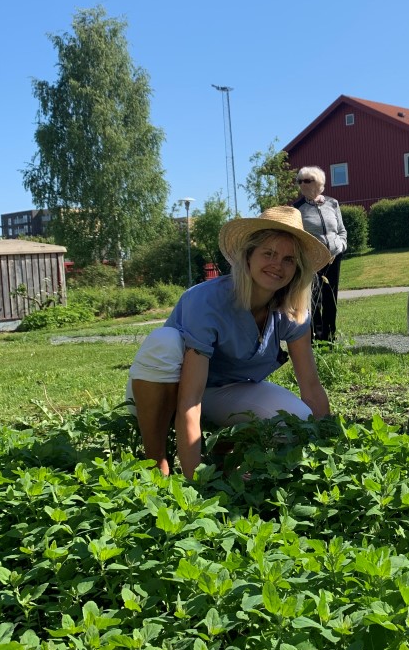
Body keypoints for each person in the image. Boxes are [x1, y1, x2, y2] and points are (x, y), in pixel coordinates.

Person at [126, 206, 333, 479]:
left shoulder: (293, 310)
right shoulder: (205, 301)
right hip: (166, 391)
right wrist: (196, 482)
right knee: (164, 341)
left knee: (297, 419)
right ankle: (157, 462)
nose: (277, 265)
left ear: (297, 269)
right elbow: (189, 400)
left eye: (289, 259)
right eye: (268, 253)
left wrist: (331, 451)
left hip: (221, 393)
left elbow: (311, 386)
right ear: (247, 256)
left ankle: (226, 453)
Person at [293, 166, 348, 342]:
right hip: (311, 261)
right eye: (299, 181)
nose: (302, 184)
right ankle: (315, 338)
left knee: (331, 298)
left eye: (307, 180)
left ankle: (329, 337)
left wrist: (340, 246)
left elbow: (341, 230)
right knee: (313, 300)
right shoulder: (297, 208)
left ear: (319, 183)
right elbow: (296, 237)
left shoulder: (333, 203)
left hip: (334, 257)